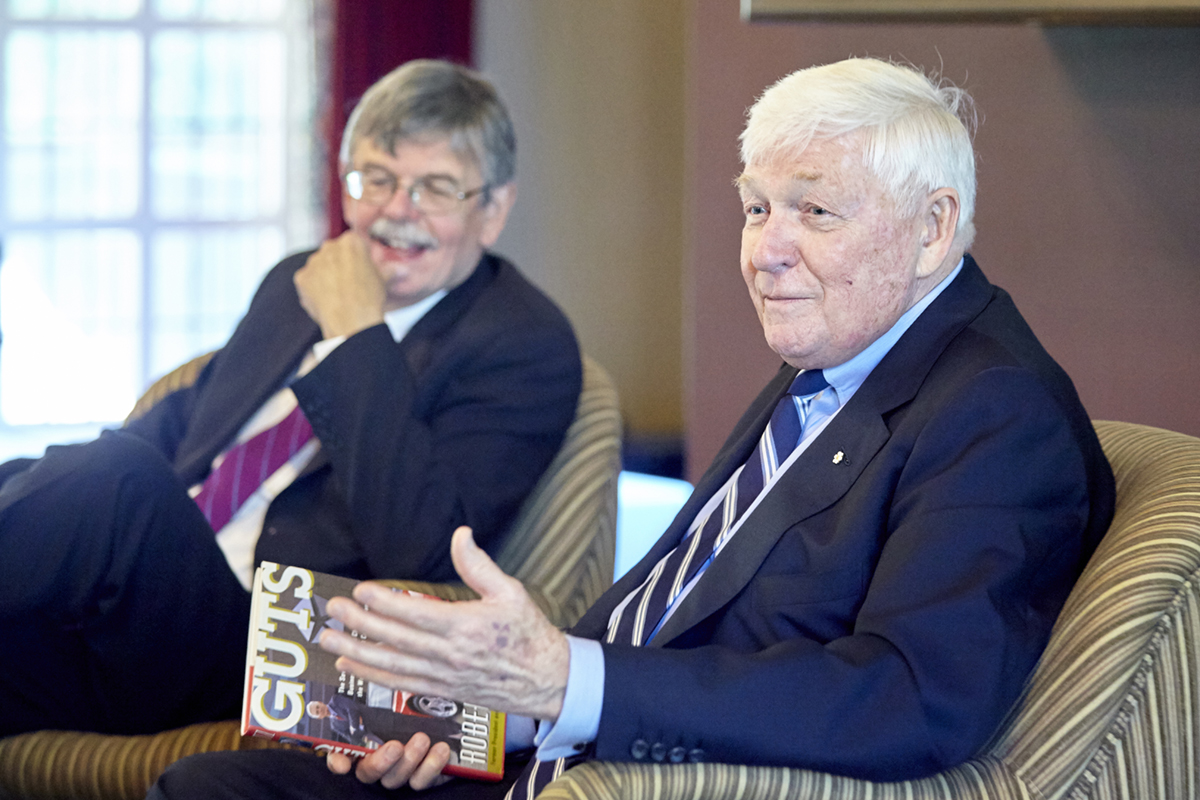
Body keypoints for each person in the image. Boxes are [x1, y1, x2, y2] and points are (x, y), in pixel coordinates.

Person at [148, 57, 1114, 800]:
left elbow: (913, 700)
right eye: (755, 208)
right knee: (215, 784)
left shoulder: (995, 410)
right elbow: (672, 610)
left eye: (814, 211)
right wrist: (492, 714)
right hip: (559, 759)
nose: (768, 252)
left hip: (650, 781)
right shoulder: (842, 358)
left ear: (934, 228)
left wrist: (569, 684)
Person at [0, 59, 581, 738]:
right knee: (53, 480)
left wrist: (355, 337)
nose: (398, 211)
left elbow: (420, 548)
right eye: (378, 180)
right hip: (130, 618)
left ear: (493, 209)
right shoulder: (296, 282)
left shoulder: (522, 345)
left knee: (115, 482)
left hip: (278, 650)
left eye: (436, 188)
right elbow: (187, 429)